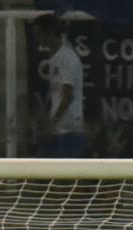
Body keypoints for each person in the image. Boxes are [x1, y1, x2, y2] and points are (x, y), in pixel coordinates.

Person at [30, 13, 86, 158]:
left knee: (67, 177)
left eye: (39, 34)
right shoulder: (55, 58)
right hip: (57, 129)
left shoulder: (66, 58)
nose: (37, 39)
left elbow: (68, 95)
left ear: (50, 33)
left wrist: (52, 125)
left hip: (68, 130)